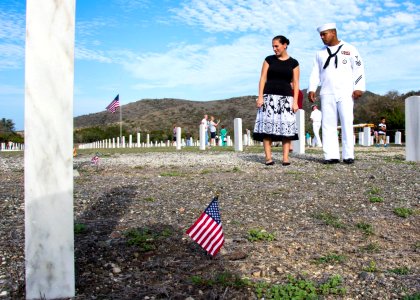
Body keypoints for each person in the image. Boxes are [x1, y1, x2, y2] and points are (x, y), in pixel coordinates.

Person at [308, 23, 365, 164]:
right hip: (327, 91)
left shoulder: (349, 49)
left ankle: (348, 155)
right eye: (320, 35)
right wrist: (312, 88)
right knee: (328, 124)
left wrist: (359, 87)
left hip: (345, 91)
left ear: (333, 32)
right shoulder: (319, 53)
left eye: (324, 34)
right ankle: (331, 155)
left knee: (346, 122)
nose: (322, 37)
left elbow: (358, 68)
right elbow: (315, 72)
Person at [253, 35, 300, 166]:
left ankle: (285, 158)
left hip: (286, 98)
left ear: (285, 45)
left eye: (276, 46)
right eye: (273, 46)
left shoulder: (294, 63)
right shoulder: (269, 60)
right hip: (268, 97)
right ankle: (268, 158)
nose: (274, 49)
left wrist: (295, 101)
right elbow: (262, 78)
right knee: (267, 128)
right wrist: (260, 96)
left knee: (286, 128)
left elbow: (296, 83)